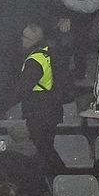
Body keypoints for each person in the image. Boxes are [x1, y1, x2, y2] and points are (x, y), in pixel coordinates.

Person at [17, 23, 63, 174]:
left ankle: (62, 174)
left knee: (42, 147)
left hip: (38, 110)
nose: (22, 40)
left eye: (25, 37)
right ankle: (51, 179)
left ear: (32, 40)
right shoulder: (49, 54)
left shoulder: (34, 59)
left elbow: (24, 87)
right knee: (46, 147)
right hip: (53, 108)